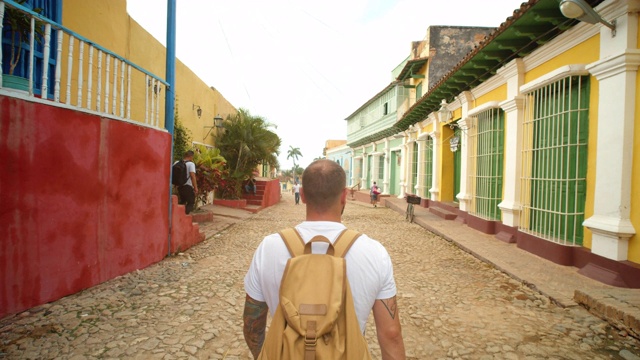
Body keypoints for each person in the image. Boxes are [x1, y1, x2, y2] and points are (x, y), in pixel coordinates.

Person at [243, 160, 405, 359]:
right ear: (344, 196)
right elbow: (391, 334)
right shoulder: (374, 252)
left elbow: (252, 323)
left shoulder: (269, 248)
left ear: (302, 195)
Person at [176, 150, 198, 215]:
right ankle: (183, 215)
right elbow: (192, 176)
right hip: (187, 186)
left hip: (179, 186)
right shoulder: (191, 164)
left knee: (182, 201)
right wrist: (195, 188)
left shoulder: (177, 163)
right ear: (191, 156)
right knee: (191, 202)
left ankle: (177, 214)